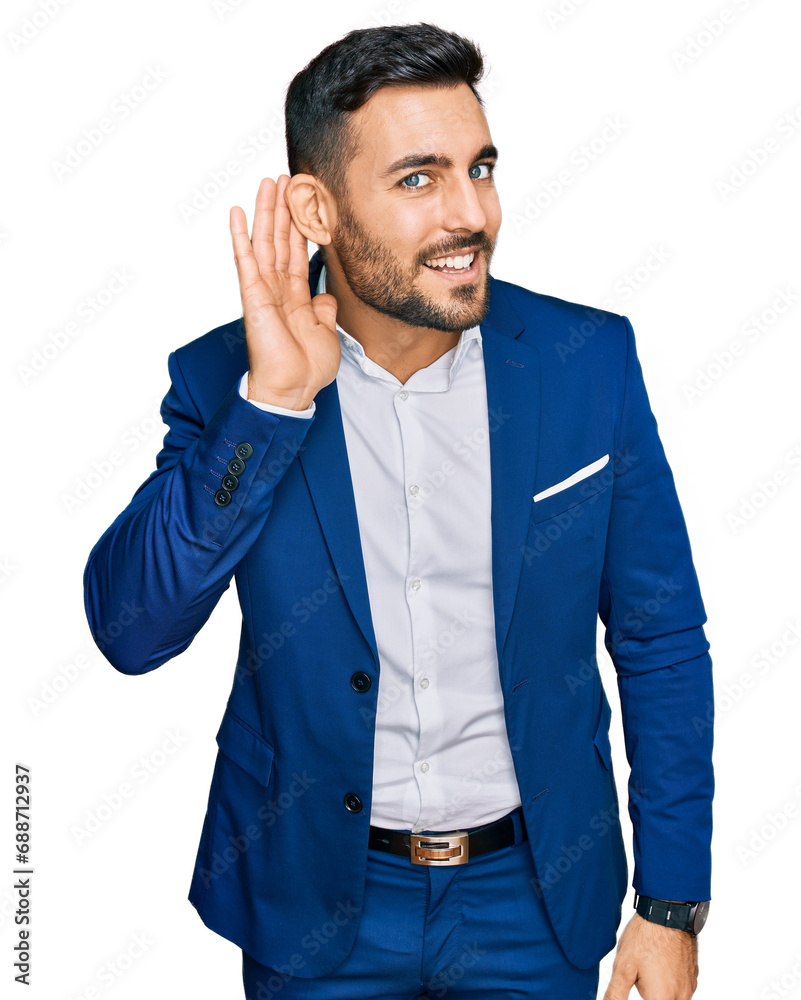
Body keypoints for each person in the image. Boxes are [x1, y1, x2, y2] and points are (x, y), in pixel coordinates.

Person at [84, 22, 713, 1000]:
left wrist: (671, 903)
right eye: (419, 178)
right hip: (314, 900)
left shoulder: (586, 364)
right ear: (317, 208)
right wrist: (271, 404)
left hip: (536, 897)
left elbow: (659, 636)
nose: (471, 213)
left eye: (480, 169)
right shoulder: (226, 380)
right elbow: (132, 629)